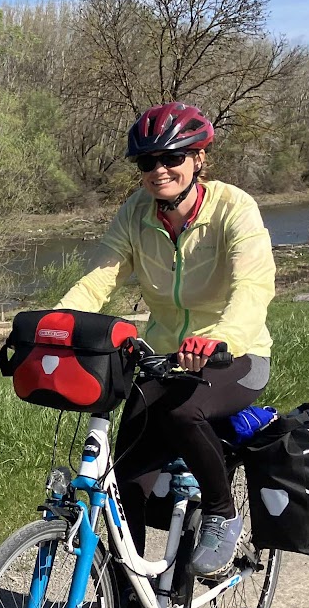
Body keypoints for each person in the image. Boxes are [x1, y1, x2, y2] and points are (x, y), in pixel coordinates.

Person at [56, 101, 275, 577]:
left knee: (181, 412)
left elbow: (253, 286)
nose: (159, 170)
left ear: (199, 158)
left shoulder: (234, 208)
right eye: (147, 161)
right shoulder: (136, 213)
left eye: (172, 157)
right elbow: (101, 276)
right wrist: (55, 323)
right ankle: (127, 605)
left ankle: (222, 512)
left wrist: (221, 338)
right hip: (164, 358)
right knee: (125, 481)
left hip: (236, 355)